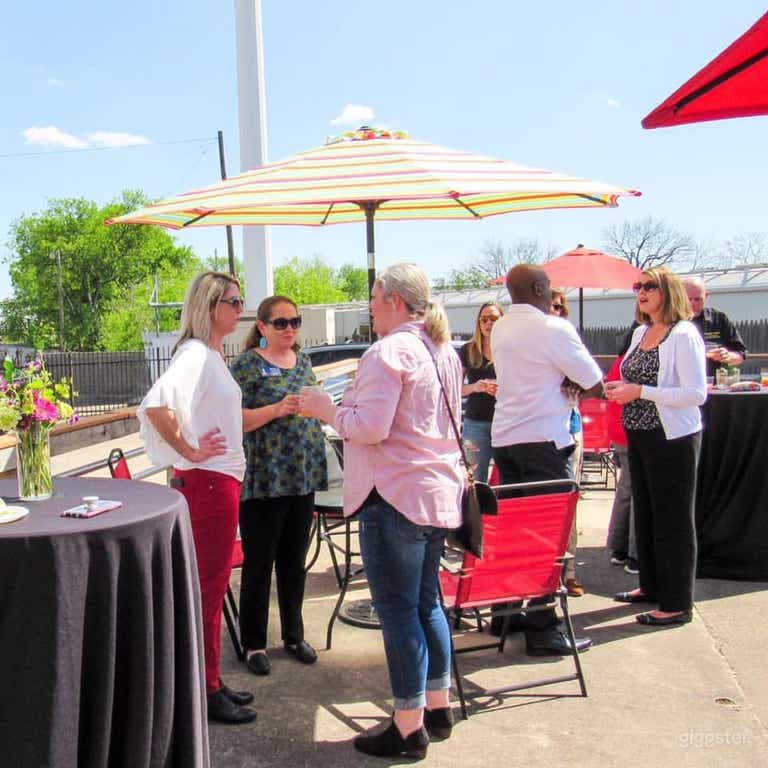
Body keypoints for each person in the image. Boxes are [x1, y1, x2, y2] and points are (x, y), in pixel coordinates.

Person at [299, 263, 463, 760]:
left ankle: (408, 726)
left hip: (393, 497)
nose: (369, 305)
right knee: (426, 603)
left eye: (373, 296)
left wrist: (325, 410)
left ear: (393, 299)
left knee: (397, 611)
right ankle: (438, 706)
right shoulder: (442, 350)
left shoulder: (388, 351)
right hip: (435, 495)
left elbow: (369, 428)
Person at [138, 271, 257, 725]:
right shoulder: (195, 354)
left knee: (210, 587)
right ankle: (206, 690)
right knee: (208, 590)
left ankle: (211, 680)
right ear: (209, 306)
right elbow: (156, 403)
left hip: (215, 483)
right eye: (232, 300)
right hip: (208, 484)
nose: (239, 308)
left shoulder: (210, 355)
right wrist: (188, 449)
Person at [491, 264, 601, 656]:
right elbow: (595, 382)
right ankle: (544, 626)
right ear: (539, 288)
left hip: (506, 437)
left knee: (514, 531)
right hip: (543, 440)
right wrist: (565, 380)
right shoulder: (553, 329)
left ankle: (504, 610)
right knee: (544, 535)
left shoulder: (501, 327)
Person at [230, 295, 328, 678]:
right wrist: (275, 409)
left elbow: (315, 400)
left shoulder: (302, 361)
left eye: (295, 322)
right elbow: (233, 419)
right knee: (259, 565)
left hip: (300, 475)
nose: (290, 329)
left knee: (294, 562)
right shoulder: (247, 366)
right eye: (281, 323)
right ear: (263, 327)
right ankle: (254, 643)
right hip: (265, 478)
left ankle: (293, 634)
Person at [607, 267, 706, 626]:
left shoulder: (684, 335)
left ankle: (677, 603)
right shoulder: (640, 332)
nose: (642, 292)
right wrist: (619, 388)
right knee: (645, 515)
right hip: (640, 435)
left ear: (669, 292)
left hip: (673, 439)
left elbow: (696, 394)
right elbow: (631, 378)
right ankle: (650, 586)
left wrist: (640, 391)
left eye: (650, 286)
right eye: (638, 286)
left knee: (673, 520)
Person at [550, 288, 585, 597]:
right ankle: (544, 575)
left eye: (559, 306)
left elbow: (589, 380)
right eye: (549, 305)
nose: (554, 310)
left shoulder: (568, 338)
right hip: (533, 436)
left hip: (568, 429)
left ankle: (568, 572)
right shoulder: (525, 338)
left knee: (567, 505)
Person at [458, 301, 503, 483]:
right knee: (474, 479)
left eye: (493, 318)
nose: (488, 324)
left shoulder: (509, 349)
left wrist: (501, 388)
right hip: (474, 423)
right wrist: (476, 386)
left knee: (506, 479)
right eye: (483, 319)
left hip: (505, 422)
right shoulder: (467, 350)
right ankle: (475, 512)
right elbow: (456, 390)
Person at [604, 342, 639, 575]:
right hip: (631, 430)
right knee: (637, 492)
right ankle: (636, 554)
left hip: (619, 429)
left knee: (627, 489)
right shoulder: (638, 357)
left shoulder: (623, 357)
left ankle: (618, 547)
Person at [682, 276, 747, 375]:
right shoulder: (669, 321)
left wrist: (727, 356)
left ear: (706, 296)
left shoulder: (719, 319)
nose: (692, 303)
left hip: (712, 384)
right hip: (679, 386)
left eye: (697, 299)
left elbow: (741, 355)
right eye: (688, 299)